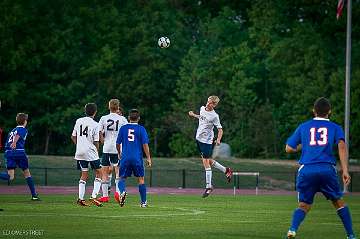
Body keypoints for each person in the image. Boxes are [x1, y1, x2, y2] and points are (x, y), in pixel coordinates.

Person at [284, 97, 356, 239]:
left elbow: (288, 148)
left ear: (313, 111)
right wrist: (345, 170)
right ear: (329, 111)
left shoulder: (304, 126)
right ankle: (351, 235)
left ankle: (292, 229)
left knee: (303, 205)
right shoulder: (335, 127)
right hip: (326, 169)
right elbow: (341, 146)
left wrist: (303, 146)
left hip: (307, 170)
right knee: (338, 202)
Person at [188, 95, 233, 198]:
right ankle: (226, 170)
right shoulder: (202, 109)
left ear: (215, 105)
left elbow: (220, 129)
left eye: (211, 103)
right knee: (208, 160)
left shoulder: (215, 116)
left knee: (205, 162)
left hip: (207, 142)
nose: (208, 103)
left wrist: (218, 139)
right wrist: (194, 115)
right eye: (208, 101)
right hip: (198, 139)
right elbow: (202, 117)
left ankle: (209, 186)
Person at [115, 109, 152, 207]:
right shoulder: (141, 129)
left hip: (125, 157)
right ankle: (143, 203)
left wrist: (119, 153)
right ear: (139, 118)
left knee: (121, 178)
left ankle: (122, 192)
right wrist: (148, 157)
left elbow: (118, 143)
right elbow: (145, 144)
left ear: (128, 118)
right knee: (141, 179)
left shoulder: (123, 128)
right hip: (137, 158)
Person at [0, 113, 39, 201]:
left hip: (9, 153)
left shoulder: (12, 130)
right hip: (19, 153)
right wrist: (14, 142)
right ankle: (34, 195)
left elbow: (8, 142)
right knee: (27, 172)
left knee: (10, 177)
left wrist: (11, 145)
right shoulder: (23, 129)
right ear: (25, 121)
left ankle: (34, 195)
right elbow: (18, 135)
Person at [71, 103, 103, 207]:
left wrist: (79, 145)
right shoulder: (95, 124)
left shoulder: (78, 121)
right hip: (90, 151)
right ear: (95, 112)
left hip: (79, 152)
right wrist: (96, 152)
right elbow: (96, 141)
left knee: (84, 174)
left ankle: (80, 199)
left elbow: (73, 136)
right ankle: (93, 196)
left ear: (85, 111)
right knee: (100, 173)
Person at [97, 99, 127, 202]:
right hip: (118, 148)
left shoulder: (103, 118)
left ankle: (105, 196)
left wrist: (103, 141)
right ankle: (118, 193)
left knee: (104, 172)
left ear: (109, 107)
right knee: (118, 171)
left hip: (107, 147)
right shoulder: (122, 119)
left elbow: (99, 131)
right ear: (118, 107)